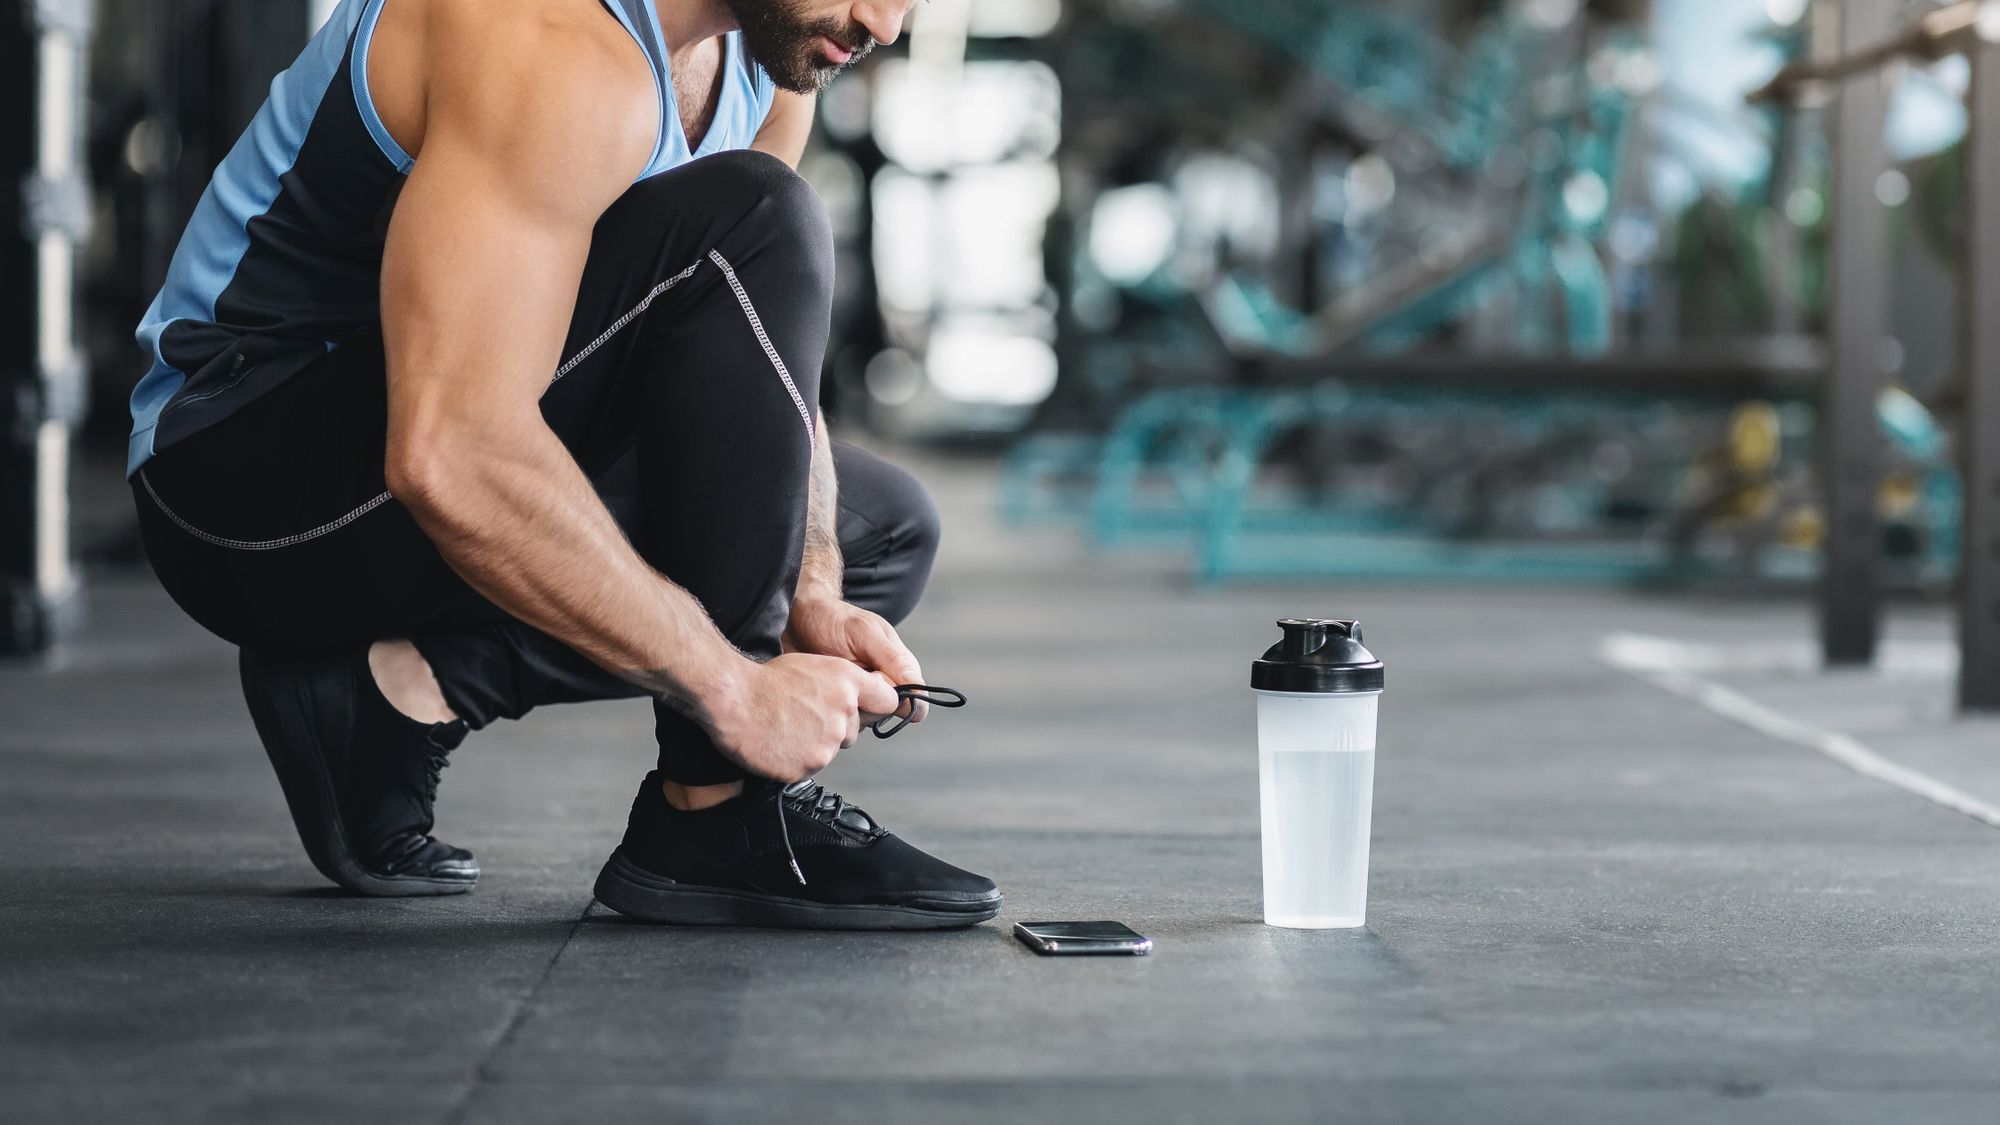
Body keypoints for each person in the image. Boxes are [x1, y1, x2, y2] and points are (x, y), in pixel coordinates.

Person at [124, 0, 1001, 930]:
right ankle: (712, 811)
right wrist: (733, 690)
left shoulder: (766, 64)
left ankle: (394, 693)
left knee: (877, 534)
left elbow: (760, 349)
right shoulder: (540, 32)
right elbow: (451, 445)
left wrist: (811, 587)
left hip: (429, 458)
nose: (886, 23)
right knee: (756, 213)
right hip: (239, 481)